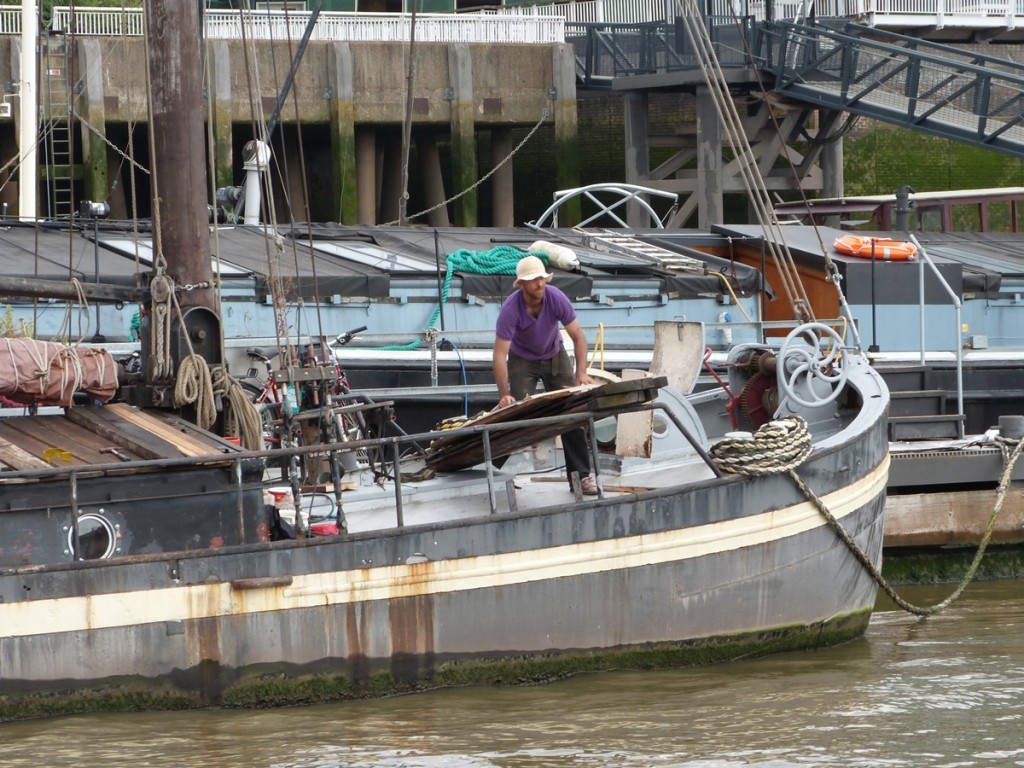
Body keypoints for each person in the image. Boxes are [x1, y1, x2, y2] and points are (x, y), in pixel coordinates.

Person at [493, 255, 597, 496]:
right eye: (532, 280)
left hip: (554, 355)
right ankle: (488, 469)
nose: (539, 284)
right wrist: (504, 394)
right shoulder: (510, 309)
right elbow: (500, 354)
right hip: (522, 359)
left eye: (541, 278)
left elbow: (578, 337)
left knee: (572, 412)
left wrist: (581, 372)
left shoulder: (556, 297)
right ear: (521, 284)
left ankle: (581, 477)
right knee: (513, 412)